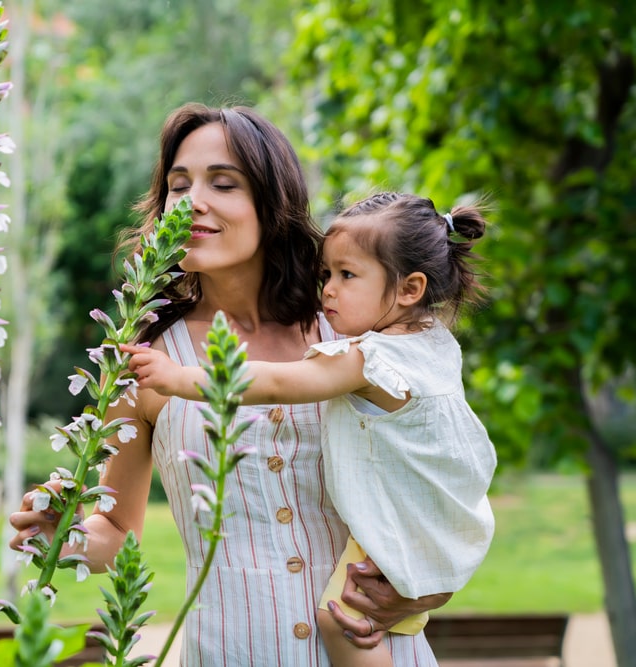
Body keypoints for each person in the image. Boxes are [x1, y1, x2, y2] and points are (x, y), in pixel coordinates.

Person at [9, 104, 447, 666]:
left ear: (272, 199)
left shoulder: (349, 332)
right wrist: (63, 536)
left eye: (224, 182)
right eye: (177, 184)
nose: (193, 201)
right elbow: (117, 528)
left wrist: (432, 586)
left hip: (379, 651)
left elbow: (439, 467)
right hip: (234, 650)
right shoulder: (143, 360)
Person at [122, 191, 497, 667]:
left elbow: (281, 382)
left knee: (341, 619)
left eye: (346, 275)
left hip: (400, 521)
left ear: (409, 289)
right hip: (432, 513)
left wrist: (182, 377)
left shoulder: (369, 354)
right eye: (327, 275)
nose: (329, 291)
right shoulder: (432, 343)